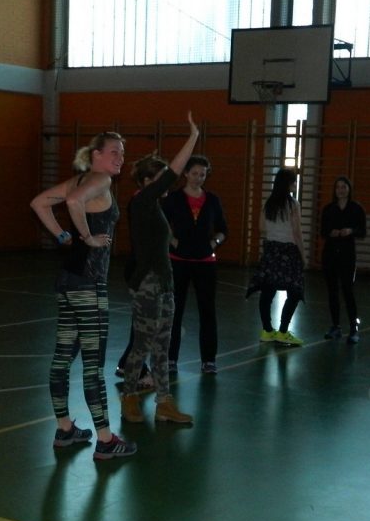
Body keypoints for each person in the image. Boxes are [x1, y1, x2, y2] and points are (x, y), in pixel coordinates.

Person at [30, 131, 137, 460]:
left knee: (62, 358)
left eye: (122, 153)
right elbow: (74, 203)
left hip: (68, 280)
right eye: (114, 152)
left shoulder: (79, 180)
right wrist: (87, 237)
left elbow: (39, 203)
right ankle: (105, 440)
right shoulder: (100, 180)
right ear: (96, 155)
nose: (120, 158)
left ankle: (64, 429)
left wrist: (62, 234)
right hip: (88, 285)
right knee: (93, 365)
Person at [120, 113, 200, 424]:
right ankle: (129, 397)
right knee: (142, 343)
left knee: (163, 346)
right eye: (158, 178)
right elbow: (174, 173)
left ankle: (164, 403)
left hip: (164, 282)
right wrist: (193, 137)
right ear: (145, 183)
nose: (165, 182)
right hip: (147, 283)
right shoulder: (141, 202)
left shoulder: (155, 207)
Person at [163, 154, 229, 373]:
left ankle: (209, 360)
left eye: (202, 174)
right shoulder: (173, 198)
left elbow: (223, 229)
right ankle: (170, 359)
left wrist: (214, 243)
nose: (199, 178)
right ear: (185, 174)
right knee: (175, 311)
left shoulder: (212, 200)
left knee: (207, 311)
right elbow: (161, 224)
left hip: (205, 263)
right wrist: (173, 241)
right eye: (194, 173)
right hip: (178, 262)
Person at [247, 168, 306, 346]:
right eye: (293, 181)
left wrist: (275, 230)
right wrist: (303, 255)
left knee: (267, 291)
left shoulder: (269, 203)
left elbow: (261, 227)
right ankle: (283, 331)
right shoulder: (293, 204)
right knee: (294, 291)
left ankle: (267, 330)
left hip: (271, 250)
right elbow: (297, 232)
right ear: (288, 184)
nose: (295, 184)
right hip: (288, 251)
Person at [319, 175, 366, 343]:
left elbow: (362, 231)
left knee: (348, 291)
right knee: (332, 291)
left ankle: (353, 329)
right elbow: (323, 231)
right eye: (338, 187)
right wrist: (331, 232)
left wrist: (350, 231)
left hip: (347, 255)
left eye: (344, 187)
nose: (341, 190)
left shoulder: (356, 209)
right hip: (330, 254)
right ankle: (335, 327)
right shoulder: (328, 209)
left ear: (349, 189)